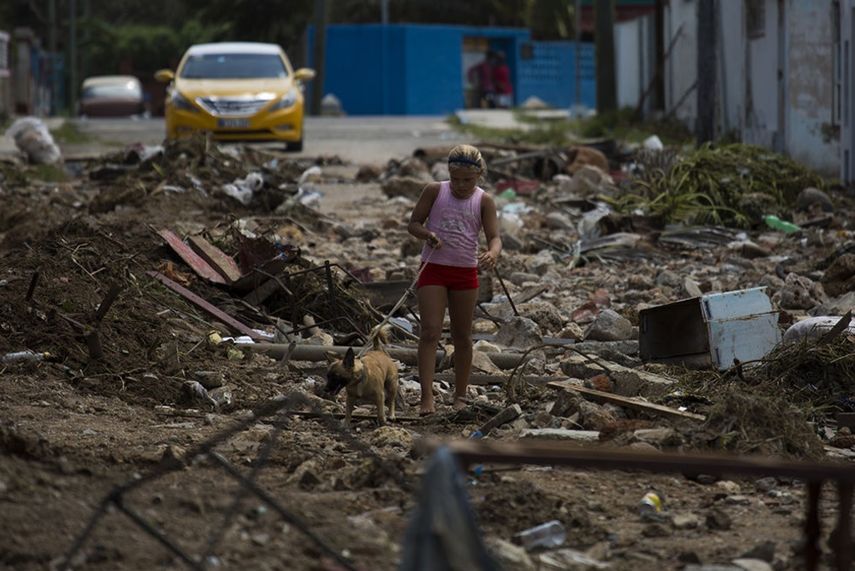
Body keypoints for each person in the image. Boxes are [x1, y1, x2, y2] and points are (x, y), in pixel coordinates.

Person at [407, 145, 502, 414]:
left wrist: (492, 253)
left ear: (479, 176)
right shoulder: (435, 191)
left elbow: (494, 237)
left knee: (462, 336)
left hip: (464, 272)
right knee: (430, 332)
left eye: (467, 180)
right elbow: (414, 223)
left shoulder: (483, 201)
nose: (461, 185)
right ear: (449, 173)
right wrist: (427, 235)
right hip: (433, 268)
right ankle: (427, 397)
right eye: (456, 178)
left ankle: (460, 395)